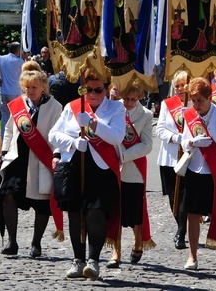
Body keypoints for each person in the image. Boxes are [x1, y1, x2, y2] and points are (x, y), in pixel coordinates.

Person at [48, 68, 124, 281]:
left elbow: (117, 137)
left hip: (102, 169)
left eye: (98, 90)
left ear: (106, 89)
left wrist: (93, 123)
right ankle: (77, 260)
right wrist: (72, 142)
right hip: (75, 165)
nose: (92, 94)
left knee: (95, 213)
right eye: (87, 89)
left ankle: (93, 261)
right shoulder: (72, 106)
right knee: (75, 214)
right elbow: (53, 134)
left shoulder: (116, 109)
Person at [0, 67, 63, 257]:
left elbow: (58, 135)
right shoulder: (18, 105)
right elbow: (9, 130)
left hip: (42, 159)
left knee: (42, 203)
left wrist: (56, 155)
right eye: (27, 87)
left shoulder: (55, 107)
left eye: (34, 86)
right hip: (18, 159)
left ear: (44, 86)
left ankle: (36, 243)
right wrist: (3, 152)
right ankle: (12, 241)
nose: (31, 90)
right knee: (8, 195)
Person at [181, 77, 216, 270]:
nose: (196, 105)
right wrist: (192, 142)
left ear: (209, 98)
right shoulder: (189, 114)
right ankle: (192, 256)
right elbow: (184, 141)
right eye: (193, 100)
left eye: (200, 100)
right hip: (195, 169)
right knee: (192, 213)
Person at [108, 83, 154, 268]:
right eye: (126, 98)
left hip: (134, 167)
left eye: (133, 99)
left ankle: (137, 240)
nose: (128, 102)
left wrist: (124, 156)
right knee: (116, 211)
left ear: (140, 97)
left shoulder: (146, 115)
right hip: (113, 167)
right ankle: (115, 252)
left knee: (135, 212)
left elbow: (147, 145)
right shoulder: (113, 108)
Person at [155, 70, 189, 250]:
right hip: (169, 157)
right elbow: (160, 130)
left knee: (184, 196)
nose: (180, 89)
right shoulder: (167, 104)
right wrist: (177, 138)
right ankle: (180, 226)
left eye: (183, 85)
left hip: (189, 158)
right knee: (172, 197)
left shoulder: (196, 103)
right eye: (177, 86)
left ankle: (181, 233)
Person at [0, 42, 24, 141]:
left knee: (5, 117)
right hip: (15, 92)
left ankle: (4, 137)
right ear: (17, 51)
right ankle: (15, 138)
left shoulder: (1, 59)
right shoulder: (19, 61)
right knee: (16, 116)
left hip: (4, 91)